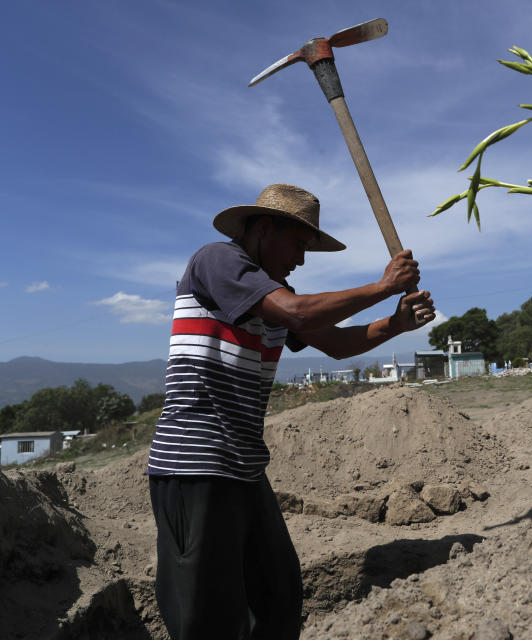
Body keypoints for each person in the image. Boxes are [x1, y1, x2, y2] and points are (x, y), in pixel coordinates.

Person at [146, 183, 435, 640]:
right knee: (207, 618)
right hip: (196, 466)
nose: (300, 259)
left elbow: (336, 344)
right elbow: (299, 314)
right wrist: (384, 286)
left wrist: (395, 324)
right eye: (298, 245)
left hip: (242, 468)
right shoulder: (217, 260)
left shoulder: (276, 293)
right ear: (263, 229)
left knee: (278, 597)